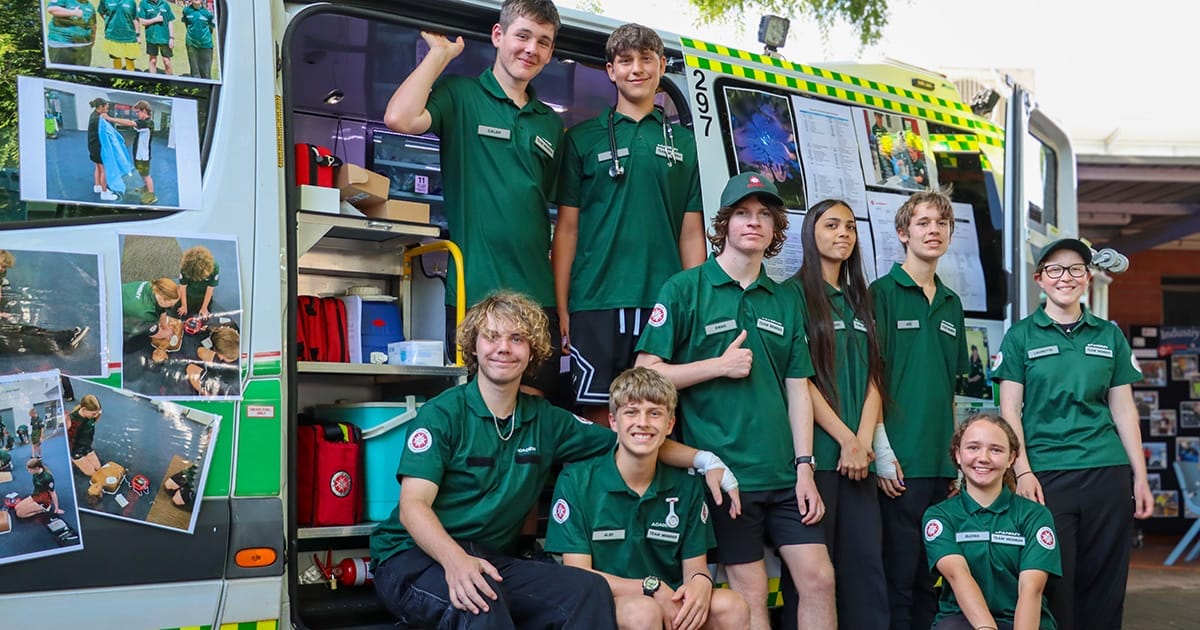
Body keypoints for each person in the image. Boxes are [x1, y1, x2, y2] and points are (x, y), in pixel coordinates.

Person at [369, 290, 739, 628]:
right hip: (412, 557)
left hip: (492, 560)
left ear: (532, 352)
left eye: (517, 339)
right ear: (474, 347)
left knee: (587, 589)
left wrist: (704, 460)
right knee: (482, 602)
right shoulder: (443, 414)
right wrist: (455, 561)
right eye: (492, 337)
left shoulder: (547, 420)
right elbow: (413, 507)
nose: (504, 348)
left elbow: (632, 439)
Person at [636, 173, 835, 630]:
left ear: (775, 227)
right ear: (724, 223)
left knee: (820, 579)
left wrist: (805, 467)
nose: (754, 222)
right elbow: (645, 374)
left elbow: (798, 388)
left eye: (765, 214)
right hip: (725, 478)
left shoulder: (785, 299)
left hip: (785, 476)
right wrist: (716, 366)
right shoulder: (685, 288)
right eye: (743, 213)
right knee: (750, 593)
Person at [383, 0, 566, 398]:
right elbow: (400, 118)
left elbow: (554, 211)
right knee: (478, 408)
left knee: (534, 411)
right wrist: (439, 55)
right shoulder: (461, 95)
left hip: (538, 295)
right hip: (476, 292)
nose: (531, 49)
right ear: (498, 36)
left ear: (551, 51)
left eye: (543, 42)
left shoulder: (551, 124)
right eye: (522, 36)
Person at [994, 238, 1153, 630]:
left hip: (1107, 472)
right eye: (1054, 269)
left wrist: (1141, 476)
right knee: (1052, 581)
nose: (1065, 277)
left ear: (1087, 278)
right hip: (1047, 476)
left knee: (1106, 584)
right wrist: (1023, 471)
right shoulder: (1021, 336)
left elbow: (1123, 409)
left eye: (1075, 269)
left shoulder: (1109, 336)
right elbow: (1009, 411)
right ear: (1039, 279)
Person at [551, 23, 705, 425]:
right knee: (600, 419)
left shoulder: (686, 145)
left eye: (646, 59)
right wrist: (562, 308)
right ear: (611, 70)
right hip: (594, 302)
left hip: (665, 302)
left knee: (656, 417)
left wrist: (696, 305)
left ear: (662, 66)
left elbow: (691, 233)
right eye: (625, 61)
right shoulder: (581, 139)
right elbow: (566, 230)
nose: (636, 69)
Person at [545, 367, 750, 630]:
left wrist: (700, 582)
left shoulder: (687, 485)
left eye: (654, 413)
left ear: (669, 424)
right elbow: (579, 575)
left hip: (669, 600)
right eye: (631, 412)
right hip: (606, 602)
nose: (643, 422)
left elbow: (694, 567)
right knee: (644, 611)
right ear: (613, 421)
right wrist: (649, 587)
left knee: (732, 606)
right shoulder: (577, 481)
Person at [785, 199, 889, 629]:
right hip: (819, 462)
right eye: (831, 225)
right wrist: (845, 439)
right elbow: (798, 380)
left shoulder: (859, 299)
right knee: (813, 583)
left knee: (866, 577)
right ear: (810, 232)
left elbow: (875, 376)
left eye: (849, 226)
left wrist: (862, 442)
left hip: (859, 461)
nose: (843, 233)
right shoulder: (791, 296)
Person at [869, 189, 969, 630]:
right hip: (898, 464)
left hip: (940, 466)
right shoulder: (881, 294)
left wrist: (957, 462)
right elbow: (871, 380)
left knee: (933, 579)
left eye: (941, 224)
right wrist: (881, 451)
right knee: (899, 579)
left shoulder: (951, 303)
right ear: (902, 233)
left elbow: (950, 391)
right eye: (923, 223)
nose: (934, 231)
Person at [923, 413, 1062, 630]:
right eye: (973, 448)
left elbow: (1031, 589)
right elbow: (958, 576)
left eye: (996, 450)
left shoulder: (1035, 515)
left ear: (1011, 458)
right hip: (962, 622)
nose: (983, 458)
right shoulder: (939, 516)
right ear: (958, 454)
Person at [185, 323, 240, 395]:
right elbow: (200, 352)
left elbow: (191, 369)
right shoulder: (236, 348)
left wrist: (206, 393)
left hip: (222, 387)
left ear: (221, 356)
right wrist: (210, 329)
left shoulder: (229, 384)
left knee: (190, 369)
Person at [45, 0, 98, 67]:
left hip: (83, 46)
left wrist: (93, 39)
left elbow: (93, 25)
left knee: (82, 72)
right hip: (62, 44)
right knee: (62, 71)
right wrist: (74, 13)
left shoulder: (90, 6)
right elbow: (52, 9)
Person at [87, 98, 120, 201]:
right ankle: (104, 193)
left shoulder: (93, 115)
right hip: (98, 148)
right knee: (104, 169)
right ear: (100, 107)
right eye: (106, 107)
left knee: (98, 166)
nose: (107, 109)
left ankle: (98, 186)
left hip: (92, 146)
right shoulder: (99, 119)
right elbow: (107, 134)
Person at [97, 0, 139, 72]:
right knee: (116, 57)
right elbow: (101, 12)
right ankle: (118, 76)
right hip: (113, 35)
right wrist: (109, 20)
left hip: (129, 36)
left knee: (130, 58)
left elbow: (135, 18)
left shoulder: (131, 2)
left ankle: (130, 77)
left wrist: (138, 35)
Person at [178, 245, 219, 318]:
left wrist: (204, 307)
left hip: (204, 294)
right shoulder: (185, 267)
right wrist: (184, 305)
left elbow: (210, 289)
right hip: (189, 294)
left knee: (205, 315)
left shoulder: (214, 267)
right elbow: (182, 287)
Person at [67, 394, 103, 476]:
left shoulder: (93, 416)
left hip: (86, 447)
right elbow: (68, 440)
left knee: (98, 467)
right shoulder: (73, 421)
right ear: (84, 409)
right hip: (76, 450)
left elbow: (98, 414)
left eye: (97, 413)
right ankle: (73, 458)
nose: (96, 415)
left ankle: (85, 452)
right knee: (91, 473)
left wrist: (96, 414)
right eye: (93, 414)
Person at [137, 0, 175, 74]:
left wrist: (171, 38)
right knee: (153, 60)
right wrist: (155, 19)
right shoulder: (144, 3)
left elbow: (170, 21)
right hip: (151, 38)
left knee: (166, 61)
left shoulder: (165, 4)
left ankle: (169, 80)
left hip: (165, 38)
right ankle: (152, 80)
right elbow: (142, 22)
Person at [181, 0, 215, 79]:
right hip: (191, 45)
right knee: (195, 72)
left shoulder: (208, 13)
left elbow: (211, 27)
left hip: (206, 45)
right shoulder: (186, 11)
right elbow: (187, 24)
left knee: (206, 73)